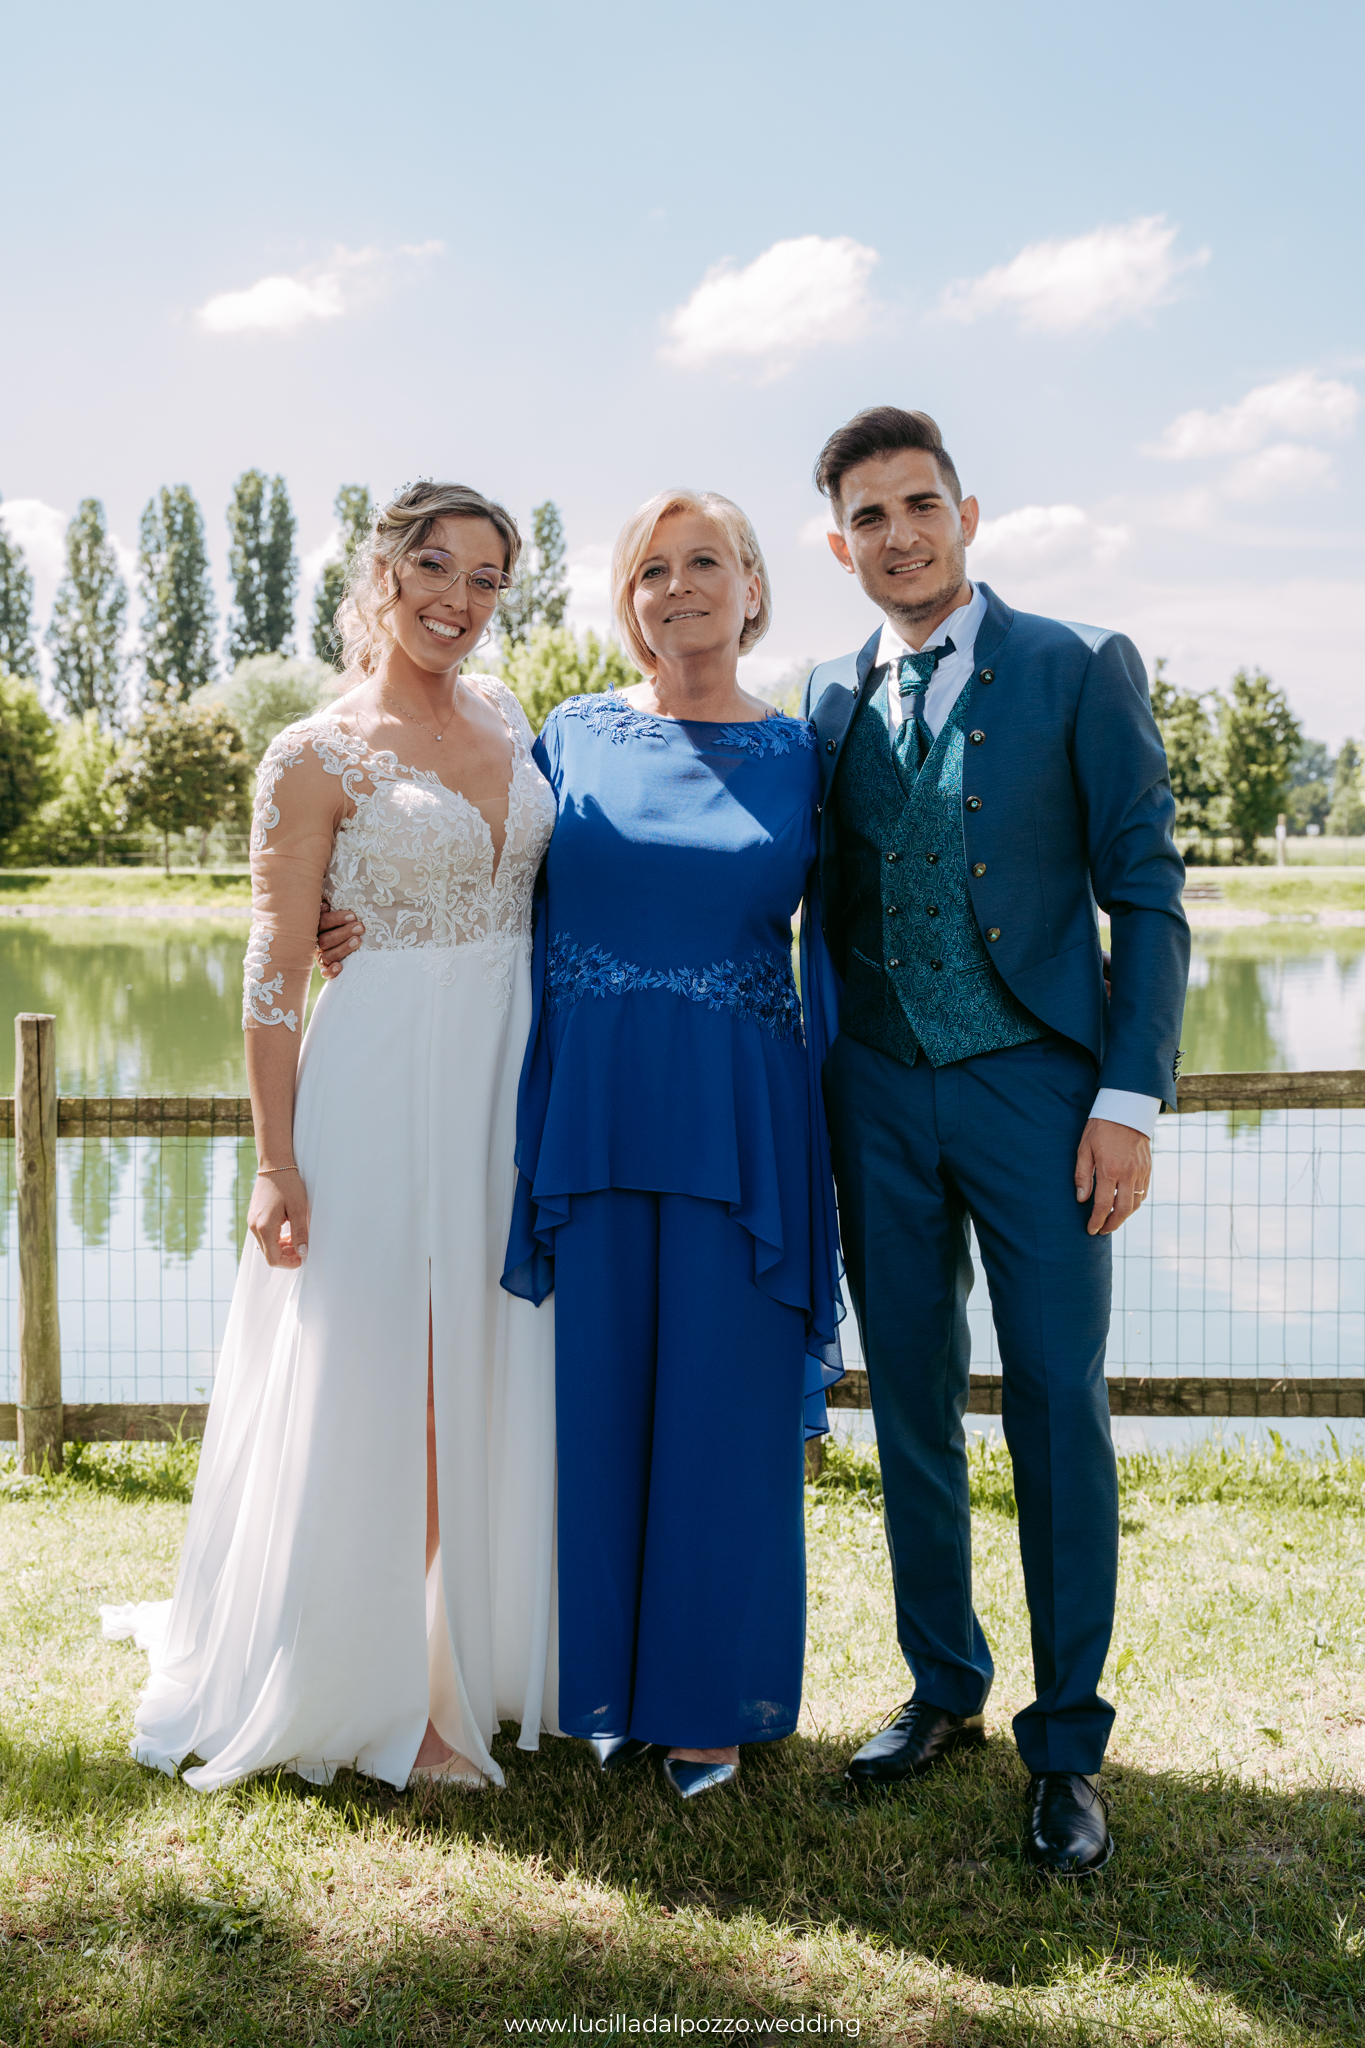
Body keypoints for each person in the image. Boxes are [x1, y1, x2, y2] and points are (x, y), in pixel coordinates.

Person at [102, 480, 559, 1792]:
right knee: (385, 1371)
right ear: (384, 572)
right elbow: (271, 973)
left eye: (486, 578)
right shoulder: (313, 752)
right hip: (375, 1084)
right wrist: (275, 1161)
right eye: (436, 566)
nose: (458, 599)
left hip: (505, 1082)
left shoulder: (513, 721)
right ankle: (378, 1690)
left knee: (481, 1363)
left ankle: (470, 1650)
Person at [803, 408, 1188, 1874]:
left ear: (966, 515)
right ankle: (941, 1683)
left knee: (1054, 1404)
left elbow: (1147, 894)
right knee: (908, 1399)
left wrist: (1127, 1100)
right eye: (870, 515)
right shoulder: (826, 698)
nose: (899, 534)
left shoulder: (1079, 665)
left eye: (921, 505)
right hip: (875, 1093)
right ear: (838, 543)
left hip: (1041, 1095)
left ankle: (1068, 1738)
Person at [500, 489, 843, 1798]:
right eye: (653, 568)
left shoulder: (807, 752)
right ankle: (599, 1687)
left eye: (707, 562)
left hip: (742, 1120)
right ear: (625, 598)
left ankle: (708, 1703)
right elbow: (484, 881)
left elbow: (854, 937)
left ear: (754, 588)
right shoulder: (569, 737)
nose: (680, 585)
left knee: (723, 1411)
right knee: (595, 1405)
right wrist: (339, 917)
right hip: (592, 1110)